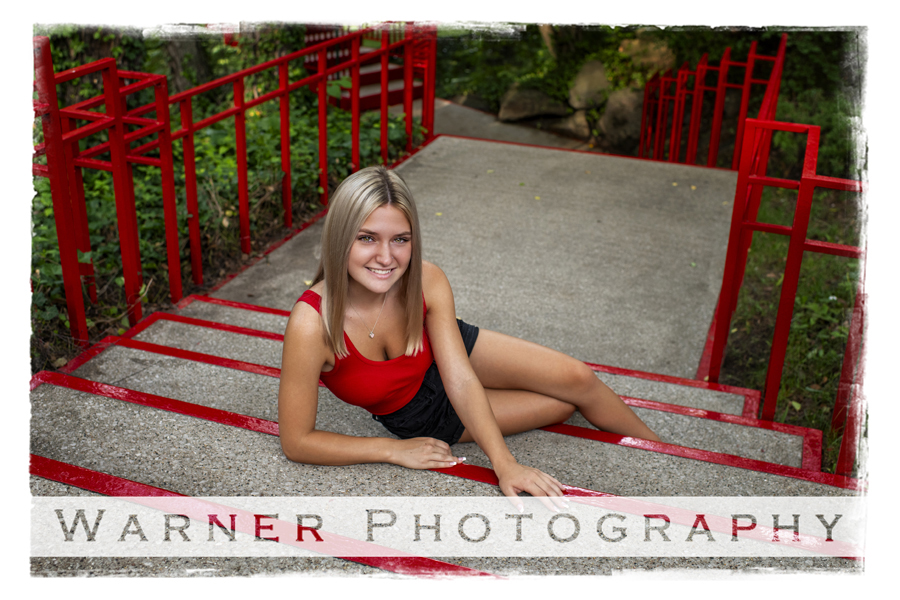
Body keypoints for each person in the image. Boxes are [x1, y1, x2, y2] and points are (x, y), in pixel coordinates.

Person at [278, 165, 660, 506]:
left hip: (445, 348)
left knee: (578, 379)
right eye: (367, 238)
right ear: (339, 238)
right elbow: (297, 442)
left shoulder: (426, 277)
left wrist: (505, 465)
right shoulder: (312, 324)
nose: (386, 257)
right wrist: (392, 450)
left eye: (400, 239)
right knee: (562, 405)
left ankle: (663, 453)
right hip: (423, 413)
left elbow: (459, 375)